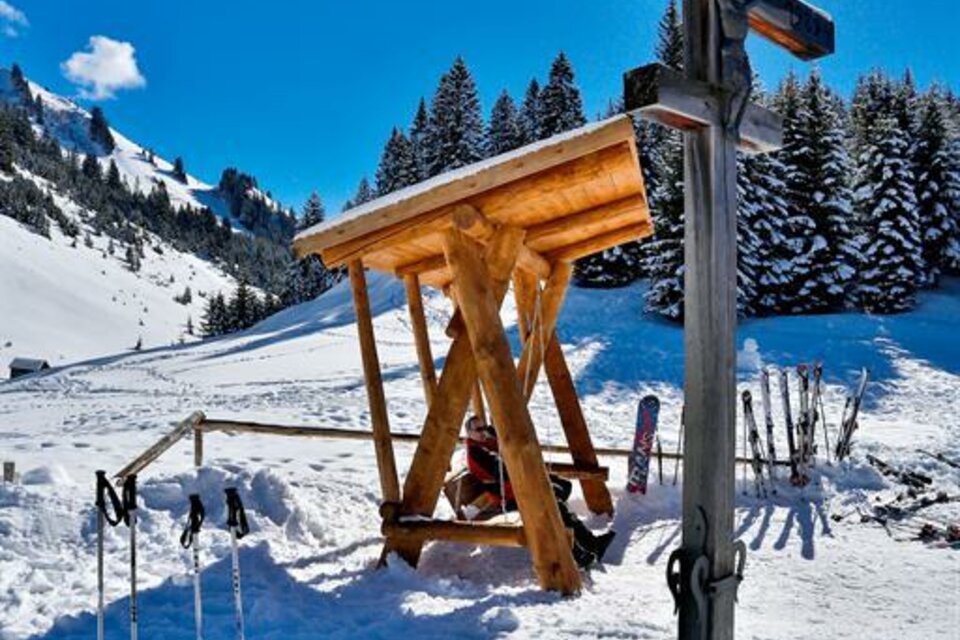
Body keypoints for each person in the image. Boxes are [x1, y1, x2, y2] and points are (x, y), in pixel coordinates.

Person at [463, 415, 616, 568]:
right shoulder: (477, 452)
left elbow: (504, 445)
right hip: (509, 496)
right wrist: (506, 452)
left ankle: (584, 545)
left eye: (485, 427)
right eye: (478, 429)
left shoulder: (483, 443)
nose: (483, 432)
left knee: (562, 488)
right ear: (469, 432)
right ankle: (580, 551)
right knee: (553, 502)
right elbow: (502, 470)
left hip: (517, 488)